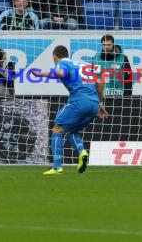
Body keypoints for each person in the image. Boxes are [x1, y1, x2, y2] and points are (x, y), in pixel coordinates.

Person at [31, 45, 108, 175]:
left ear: (55, 57)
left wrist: (40, 74)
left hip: (79, 101)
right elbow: (99, 82)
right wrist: (100, 103)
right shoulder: (83, 65)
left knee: (57, 130)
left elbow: (61, 73)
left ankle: (57, 167)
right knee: (70, 131)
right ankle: (82, 152)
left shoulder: (62, 63)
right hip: (94, 104)